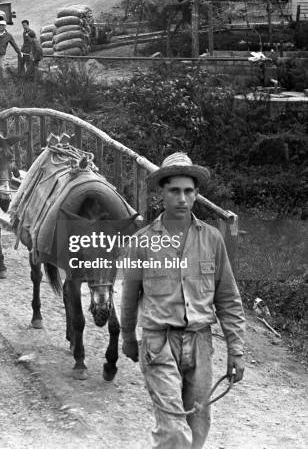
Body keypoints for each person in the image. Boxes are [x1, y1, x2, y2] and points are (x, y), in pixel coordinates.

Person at [121, 152, 245, 449]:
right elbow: (129, 295)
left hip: (200, 343)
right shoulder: (141, 242)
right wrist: (127, 336)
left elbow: (228, 297)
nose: (182, 198)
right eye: (174, 190)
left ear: (196, 194)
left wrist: (236, 349)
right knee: (174, 432)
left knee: (198, 426)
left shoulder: (212, 239)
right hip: (158, 343)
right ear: (161, 193)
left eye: (189, 191)